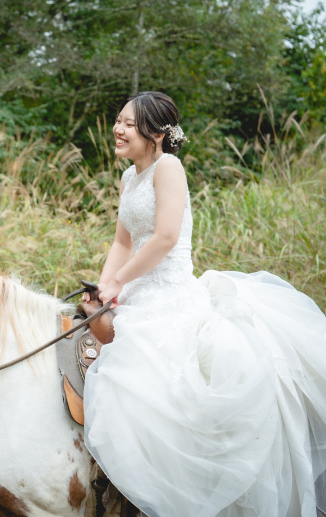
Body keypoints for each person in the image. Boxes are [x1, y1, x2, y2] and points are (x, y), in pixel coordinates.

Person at [82, 91, 326, 516]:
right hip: (137, 289)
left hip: (169, 293)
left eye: (128, 123)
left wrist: (118, 281)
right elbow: (123, 241)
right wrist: (103, 287)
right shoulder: (128, 177)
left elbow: (165, 237)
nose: (118, 129)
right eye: (118, 120)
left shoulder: (168, 168)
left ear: (156, 134)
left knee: (143, 375)